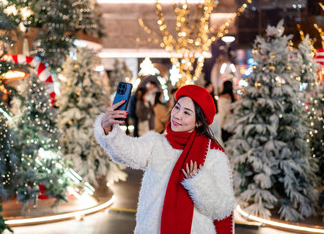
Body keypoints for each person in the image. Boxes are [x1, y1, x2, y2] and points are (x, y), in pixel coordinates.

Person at [94, 85, 234, 234]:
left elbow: (222, 208)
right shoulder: (156, 143)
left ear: (199, 122)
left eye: (186, 112)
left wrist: (198, 181)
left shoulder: (213, 156)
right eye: (177, 107)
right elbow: (126, 150)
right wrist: (107, 128)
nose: (177, 115)